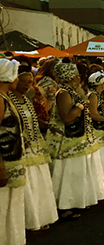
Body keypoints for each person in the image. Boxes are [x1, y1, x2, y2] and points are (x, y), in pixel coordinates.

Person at [46, 62, 104, 218]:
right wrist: (80, 106)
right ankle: (65, 206)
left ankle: (77, 202)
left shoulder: (71, 91)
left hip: (77, 139)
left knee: (77, 173)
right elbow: (67, 117)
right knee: (68, 174)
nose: (80, 77)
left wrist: (80, 93)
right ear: (73, 76)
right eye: (77, 75)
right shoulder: (63, 93)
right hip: (66, 141)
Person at [8, 62, 58, 231]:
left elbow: (34, 122)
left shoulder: (27, 100)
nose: (30, 86)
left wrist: (48, 125)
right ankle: (28, 221)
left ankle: (40, 217)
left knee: (40, 185)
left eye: (30, 82)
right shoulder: (9, 101)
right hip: (22, 152)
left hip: (36, 148)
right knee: (28, 188)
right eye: (26, 82)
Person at [0, 58, 27, 245]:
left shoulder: (4, 97)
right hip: (5, 162)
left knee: (11, 205)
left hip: (12, 159)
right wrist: (1, 168)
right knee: (3, 206)